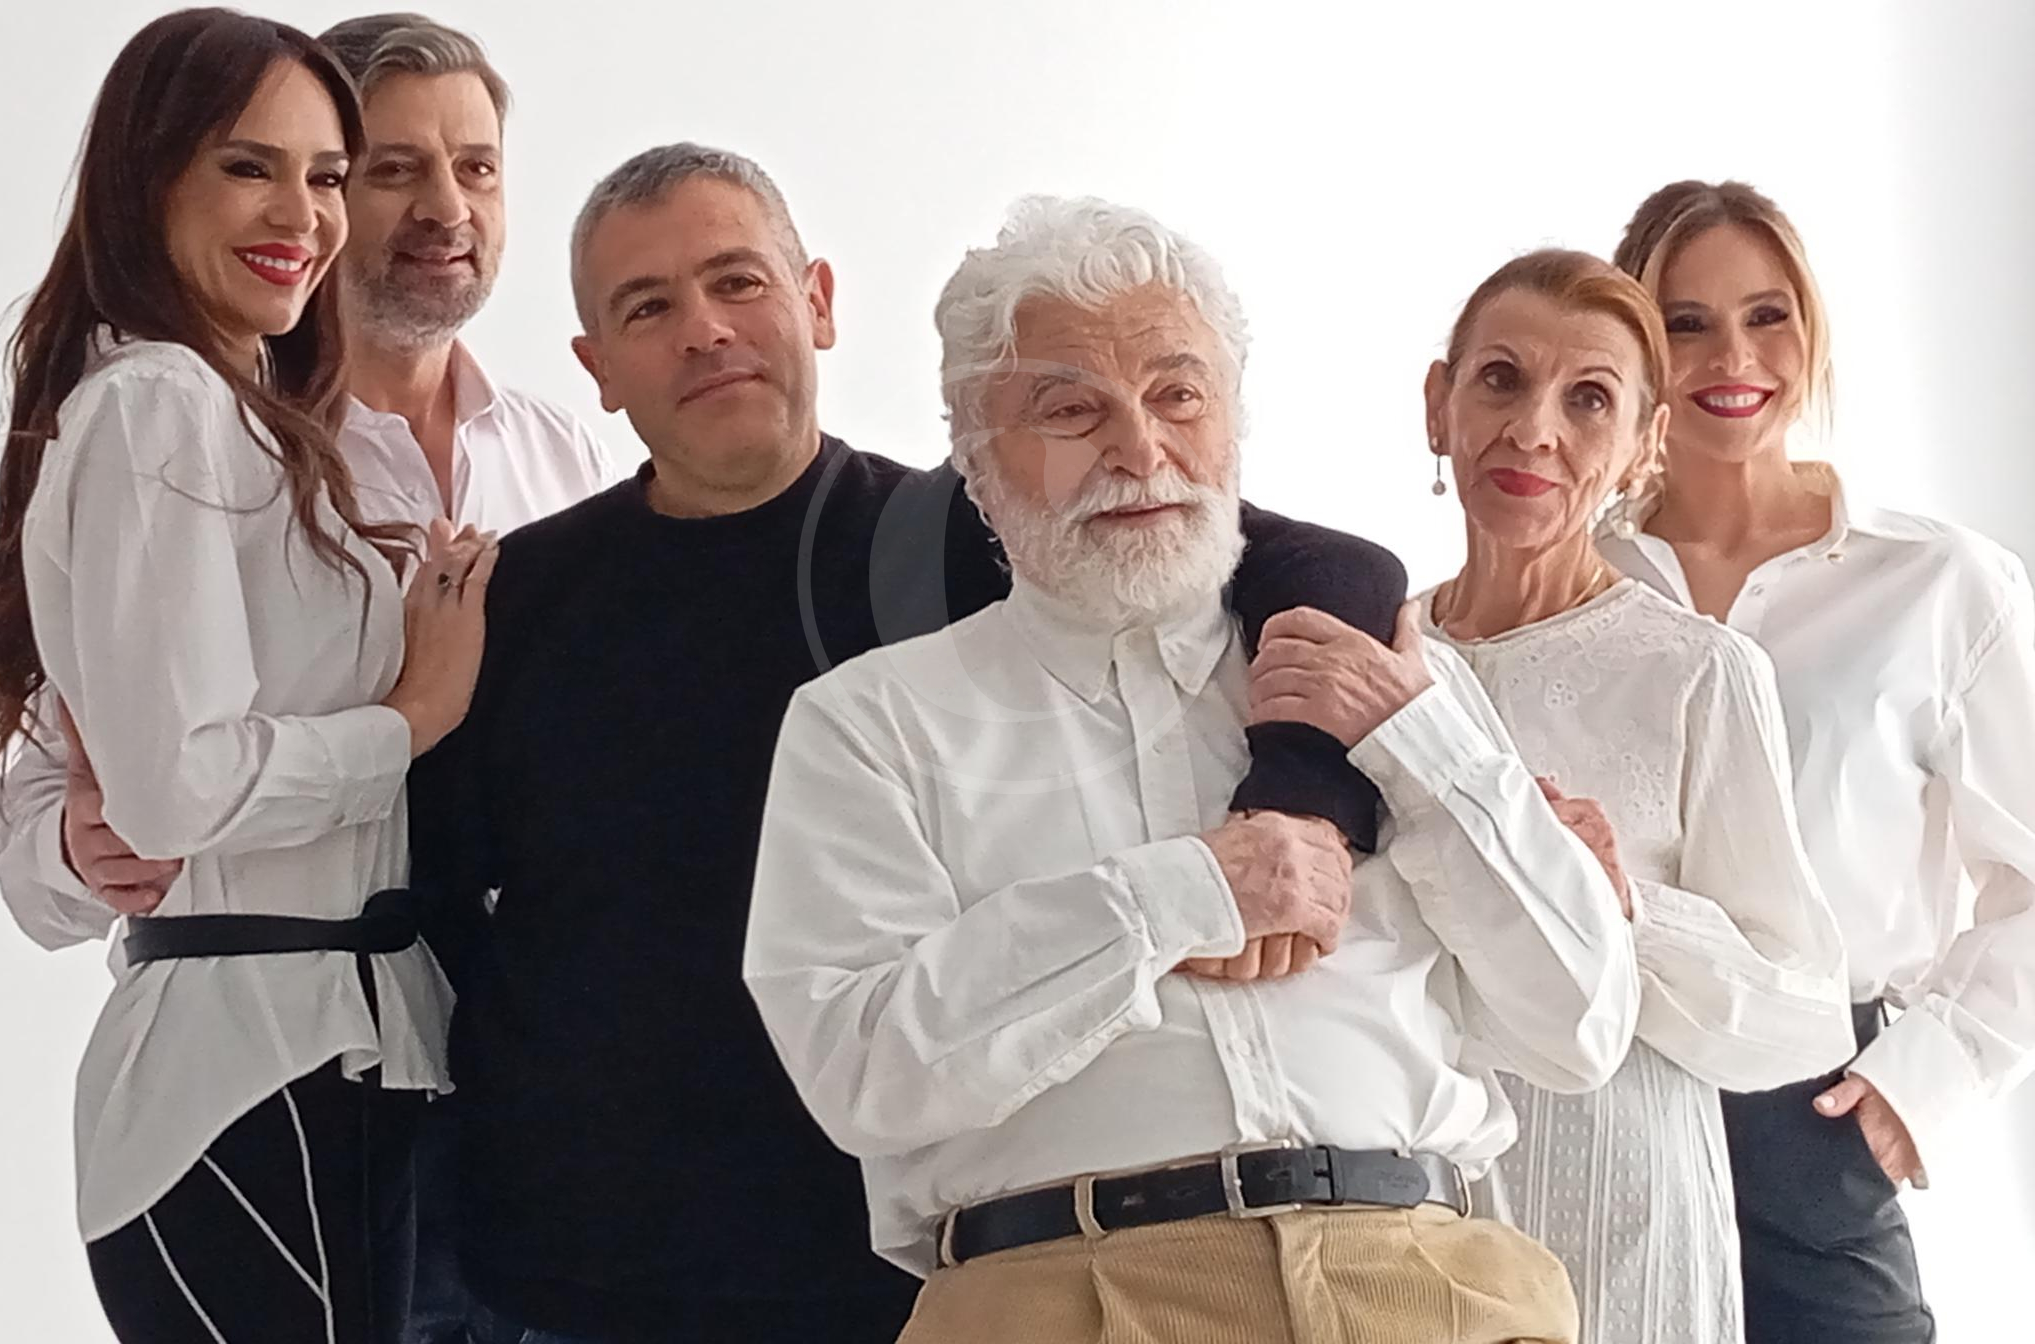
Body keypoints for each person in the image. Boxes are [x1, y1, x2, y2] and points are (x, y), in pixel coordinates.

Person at [409, 150, 1410, 1343]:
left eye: (738, 282)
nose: (704, 330)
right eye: (647, 307)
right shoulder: (514, 599)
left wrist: (1295, 799)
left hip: (903, 1265)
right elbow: (439, 891)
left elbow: (1339, 566)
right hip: (576, 1260)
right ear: (599, 370)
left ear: (818, 302)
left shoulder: (983, 532)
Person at [743, 196, 1642, 1344]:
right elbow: (865, 1069)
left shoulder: (1392, 674)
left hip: (1429, 1278)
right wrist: (1181, 895)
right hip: (1064, 1296)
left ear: (1232, 423)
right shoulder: (870, 724)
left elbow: (1581, 1027)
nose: (1140, 448)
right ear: (976, 460)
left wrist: (1422, 742)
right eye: (1071, 409)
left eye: (1178, 395)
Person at [0, 11, 617, 1344]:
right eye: (390, 168)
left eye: (477, 167)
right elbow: (94, 797)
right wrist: (74, 843)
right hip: (277, 1056)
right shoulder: (189, 419)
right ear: (152, 178)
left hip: (488, 1079)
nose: (442, 207)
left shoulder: (567, 459)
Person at [1603, 180, 2035, 1344]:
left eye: (1767, 315)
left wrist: (1917, 1085)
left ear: (1814, 330)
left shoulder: (1942, 586)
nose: (1732, 357)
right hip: (1606, 1094)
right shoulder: (1580, 583)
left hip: (1815, 1108)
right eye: (1686, 322)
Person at [1397, 247, 1853, 1341]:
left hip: (1621, 1231)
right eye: (1501, 379)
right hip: (1402, 1240)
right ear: (1439, 404)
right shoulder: (1378, 654)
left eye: (1588, 399)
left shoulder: (1695, 673)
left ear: (1648, 441)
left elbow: (1804, 1016)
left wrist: (1625, 906)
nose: (1533, 430)